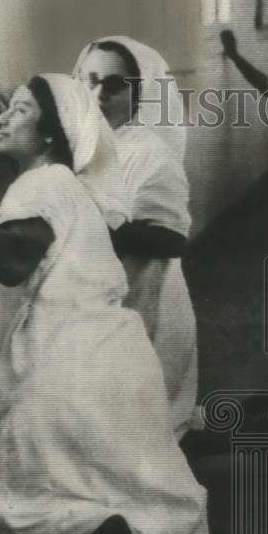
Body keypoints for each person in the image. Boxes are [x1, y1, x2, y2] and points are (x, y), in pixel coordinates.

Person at [0, 75, 209, 534]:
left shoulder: (44, 184)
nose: (1, 118)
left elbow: (8, 263)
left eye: (19, 111)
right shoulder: (55, 188)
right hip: (101, 365)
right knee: (106, 491)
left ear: (50, 134)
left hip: (73, 376)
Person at [73, 36, 201, 439]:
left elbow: (172, 241)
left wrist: (103, 226)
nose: (98, 94)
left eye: (114, 85)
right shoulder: (82, 146)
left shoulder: (149, 153)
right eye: (90, 81)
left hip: (146, 294)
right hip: (97, 297)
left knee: (138, 420)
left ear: (141, 92)